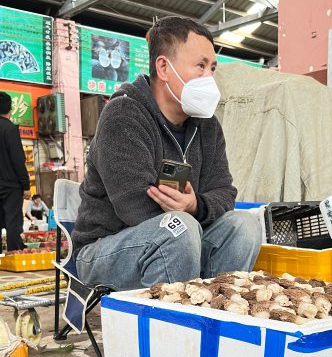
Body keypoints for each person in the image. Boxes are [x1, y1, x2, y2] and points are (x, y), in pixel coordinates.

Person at [73, 16, 262, 290]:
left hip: (181, 237)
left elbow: (224, 191)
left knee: (244, 226)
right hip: (106, 248)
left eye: (212, 68)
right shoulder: (123, 115)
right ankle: (174, 325)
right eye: (200, 66)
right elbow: (135, 206)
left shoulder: (208, 126)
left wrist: (195, 205)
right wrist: (186, 217)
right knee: (178, 228)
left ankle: (215, 315)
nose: (209, 77)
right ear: (163, 67)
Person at [0, 91, 30, 253]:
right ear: (10, 109)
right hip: (11, 185)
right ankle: (13, 254)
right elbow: (18, 160)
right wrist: (26, 186)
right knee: (13, 221)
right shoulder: (10, 129)